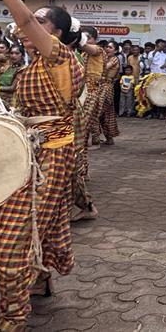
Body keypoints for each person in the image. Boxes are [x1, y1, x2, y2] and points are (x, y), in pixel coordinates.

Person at [0, 0, 83, 331]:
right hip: (26, 151)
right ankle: (39, 278)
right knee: (33, 224)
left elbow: (24, 20)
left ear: (58, 34)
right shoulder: (28, 66)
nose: (25, 26)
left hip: (51, 154)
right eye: (29, 22)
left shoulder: (61, 58)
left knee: (14, 238)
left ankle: (13, 318)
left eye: (38, 22)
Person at [72, 27, 105, 221]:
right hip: (82, 94)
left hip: (91, 94)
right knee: (81, 138)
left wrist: (78, 39)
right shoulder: (80, 55)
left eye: (87, 37)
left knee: (81, 136)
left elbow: (89, 49)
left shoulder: (97, 50)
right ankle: (83, 172)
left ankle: (81, 174)